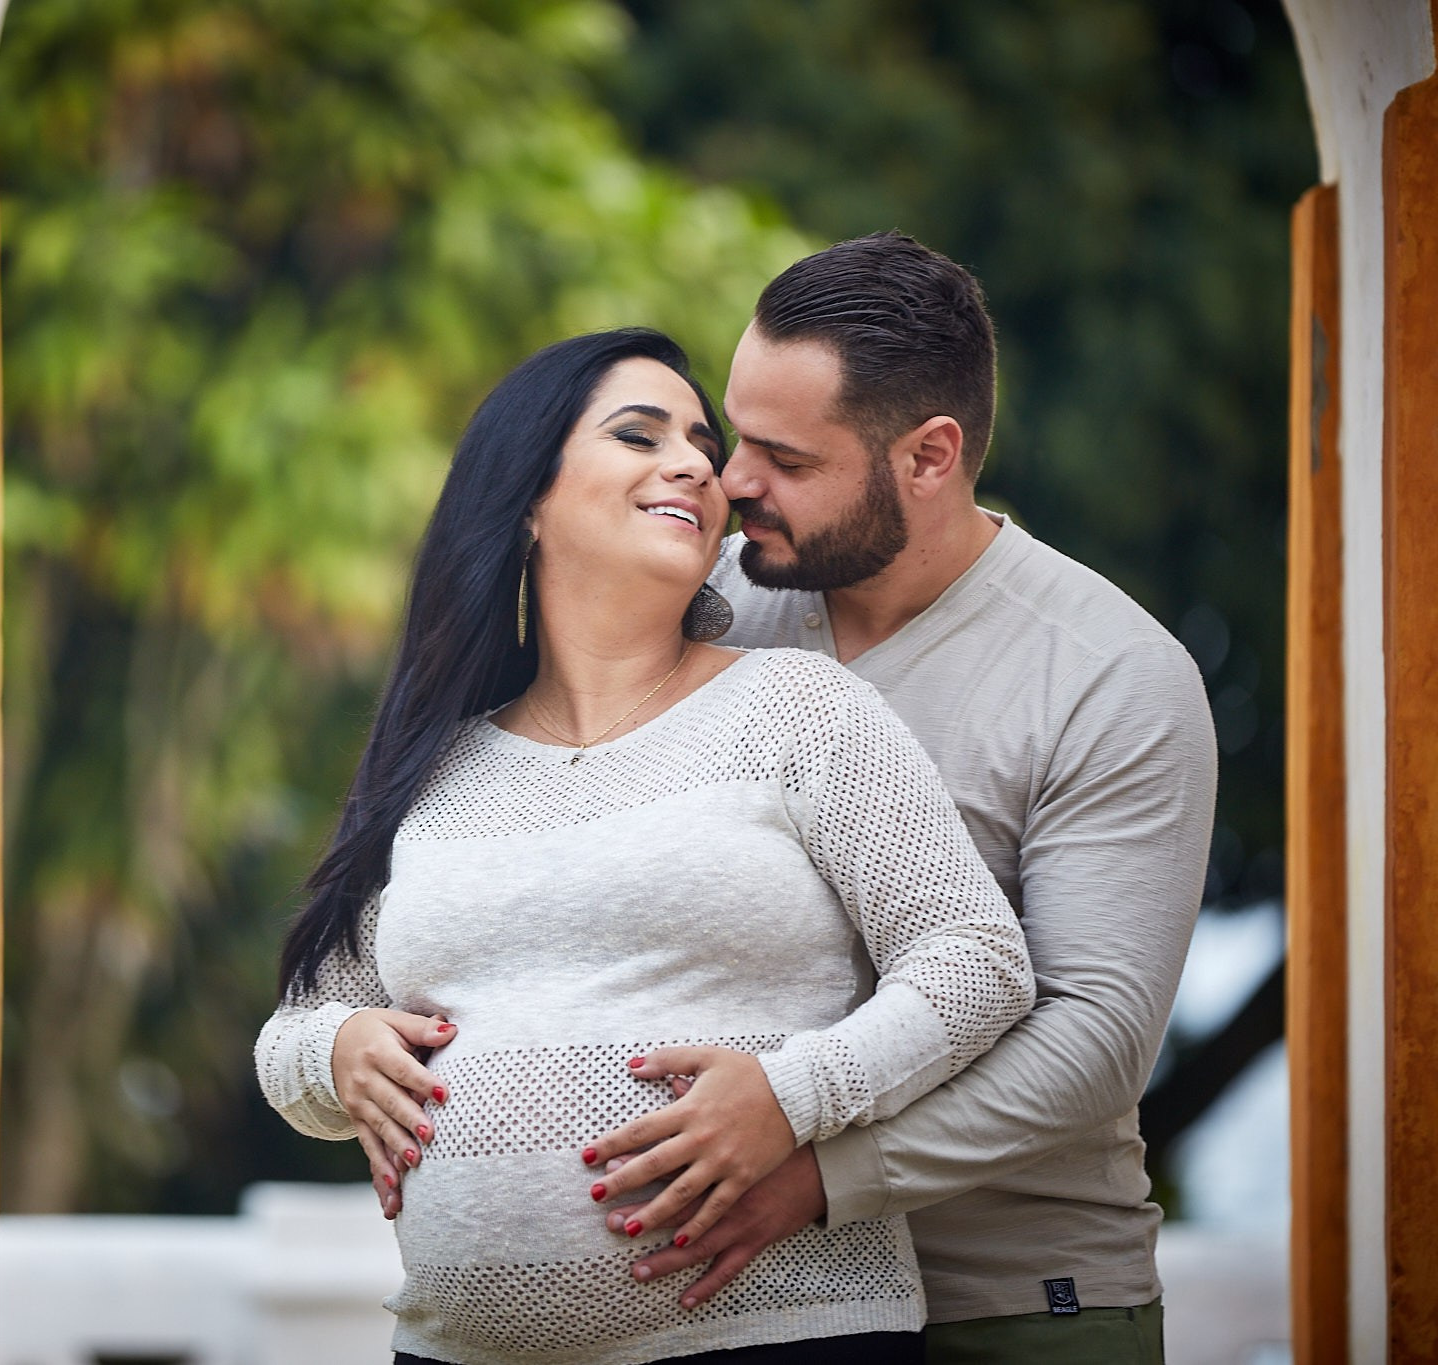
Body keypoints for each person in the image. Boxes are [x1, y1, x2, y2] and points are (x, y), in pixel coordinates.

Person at [255, 326, 1034, 1365]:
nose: (693, 464)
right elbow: (295, 1029)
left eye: (701, 448)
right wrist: (337, 1054)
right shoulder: (432, 768)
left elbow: (975, 963)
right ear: (526, 495)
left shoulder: (801, 711)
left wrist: (790, 1096)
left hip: (778, 1339)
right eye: (637, 434)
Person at [588, 233, 1217, 1364]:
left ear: (928, 455)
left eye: (784, 456)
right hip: (744, 1309)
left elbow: (1095, 1039)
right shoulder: (707, 605)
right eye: (735, 436)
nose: (731, 483)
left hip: (1011, 1307)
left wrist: (819, 1175)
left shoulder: (1108, 676)